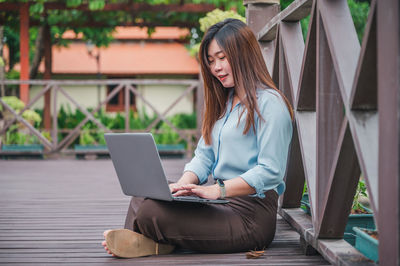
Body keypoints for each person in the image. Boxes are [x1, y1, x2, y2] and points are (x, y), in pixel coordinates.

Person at [102, 18, 293, 258]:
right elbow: (204, 156)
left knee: (152, 210)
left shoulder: (270, 104)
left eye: (222, 58)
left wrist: (218, 191)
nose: (216, 68)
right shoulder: (224, 103)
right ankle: (143, 243)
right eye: (211, 61)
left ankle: (137, 241)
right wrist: (182, 188)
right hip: (220, 204)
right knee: (145, 195)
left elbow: (270, 171)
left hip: (251, 217)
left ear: (244, 53)